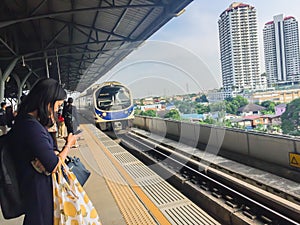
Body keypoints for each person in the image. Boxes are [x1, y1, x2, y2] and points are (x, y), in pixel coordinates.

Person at [8, 78, 78, 225]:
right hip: (39, 192)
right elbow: (52, 165)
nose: (58, 110)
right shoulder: (31, 126)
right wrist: (68, 145)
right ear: (48, 102)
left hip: (34, 189)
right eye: (57, 105)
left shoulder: (26, 122)